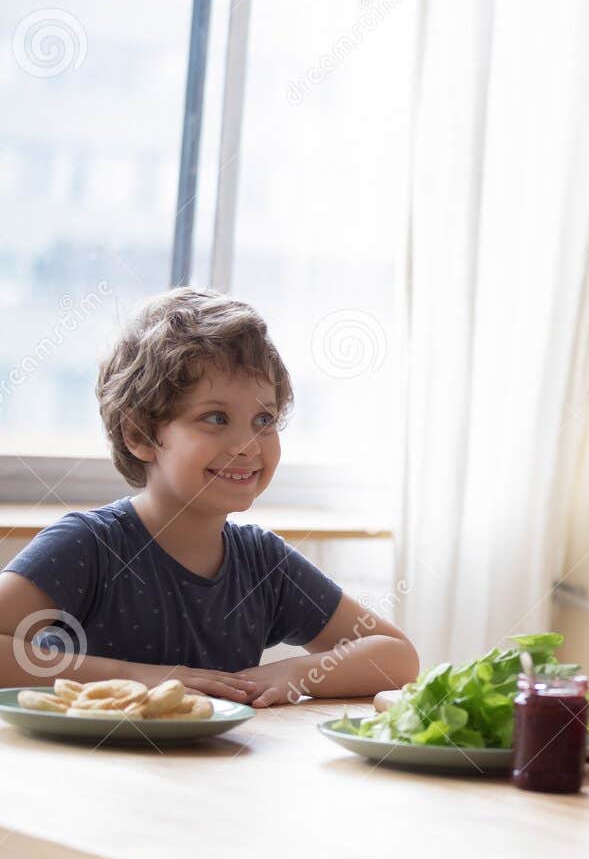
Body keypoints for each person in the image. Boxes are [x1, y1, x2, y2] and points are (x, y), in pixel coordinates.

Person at [0, 288, 419, 707]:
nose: (248, 444)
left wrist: (294, 672)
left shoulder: (264, 563)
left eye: (264, 419)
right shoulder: (88, 546)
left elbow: (397, 657)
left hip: (212, 771)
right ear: (139, 435)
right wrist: (132, 676)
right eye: (216, 418)